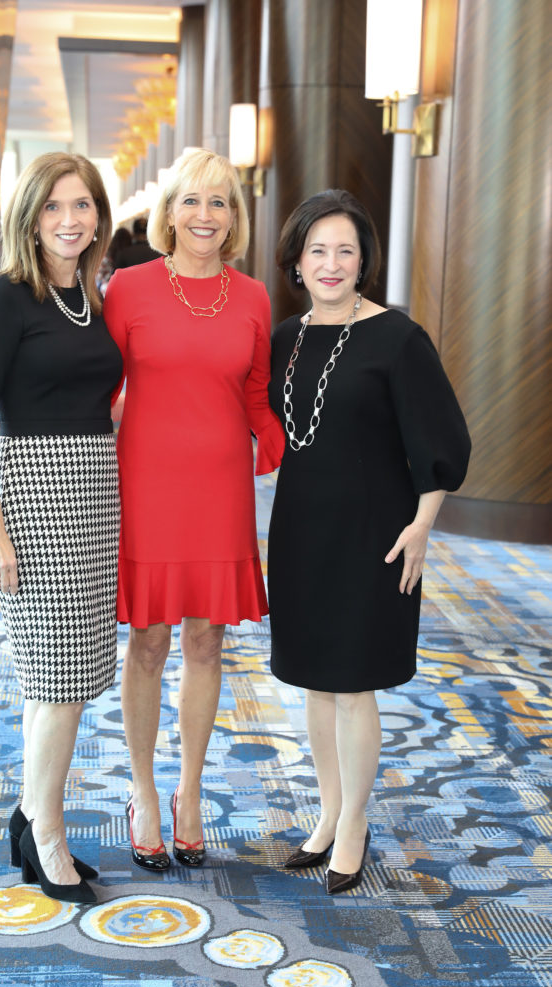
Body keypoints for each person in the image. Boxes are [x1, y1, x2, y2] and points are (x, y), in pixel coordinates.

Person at [268, 190, 470, 894]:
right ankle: (327, 814)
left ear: (363, 261)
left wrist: (422, 524)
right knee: (314, 682)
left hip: (374, 533)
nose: (331, 264)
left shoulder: (398, 339)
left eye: (345, 251)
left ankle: (353, 823)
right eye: (317, 250)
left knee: (353, 685)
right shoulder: (286, 338)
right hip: (300, 528)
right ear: (296, 261)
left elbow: (441, 438)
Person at [103, 149, 284, 871]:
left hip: (220, 487)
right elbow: (99, 384)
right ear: (168, 212)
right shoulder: (129, 288)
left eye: (220, 202)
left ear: (234, 218)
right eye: (191, 200)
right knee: (148, 641)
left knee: (207, 642)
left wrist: (298, 450)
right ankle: (143, 792)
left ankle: (189, 791)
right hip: (147, 485)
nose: (205, 215)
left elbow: (256, 393)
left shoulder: (254, 297)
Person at [0, 152, 122, 904]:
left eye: (82, 204)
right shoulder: (3, 296)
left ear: (98, 216)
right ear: (28, 217)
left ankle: (31, 815)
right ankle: (46, 831)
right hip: (34, 491)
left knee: (64, 672)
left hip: (94, 492)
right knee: (59, 676)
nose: (69, 219)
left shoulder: (90, 297)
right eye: (53, 206)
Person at [96, 226, 132, 295]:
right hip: (125, 288)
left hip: (107, 288)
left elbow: (100, 275)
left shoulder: (107, 254)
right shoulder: (130, 254)